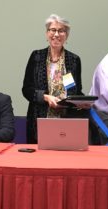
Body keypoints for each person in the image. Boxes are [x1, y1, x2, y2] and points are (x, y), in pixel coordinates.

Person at [22, 14, 85, 144]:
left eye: (61, 31)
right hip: (39, 118)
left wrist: (82, 102)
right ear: (47, 33)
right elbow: (26, 90)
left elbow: (77, 91)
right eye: (53, 30)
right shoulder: (36, 57)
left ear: (66, 36)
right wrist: (46, 97)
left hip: (66, 119)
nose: (56, 34)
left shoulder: (74, 60)